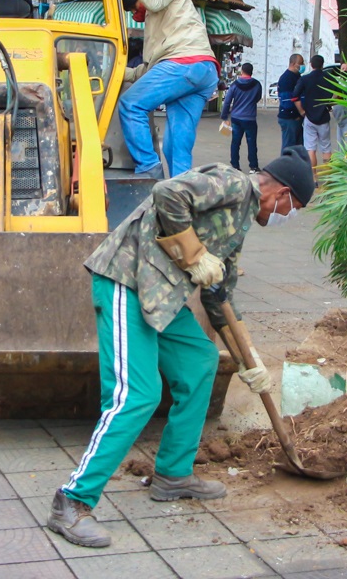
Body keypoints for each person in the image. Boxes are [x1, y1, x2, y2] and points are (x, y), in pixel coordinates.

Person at [49, 148, 317, 549]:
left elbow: (219, 294)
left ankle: (173, 473)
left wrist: (250, 360)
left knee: (200, 360)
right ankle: (71, 502)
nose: (287, 215)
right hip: (128, 280)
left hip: (163, 296)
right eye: (292, 207)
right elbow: (167, 193)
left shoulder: (240, 221)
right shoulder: (230, 182)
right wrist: (195, 255)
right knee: (136, 395)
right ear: (279, 191)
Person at [108, 0, 219, 179]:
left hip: (184, 64)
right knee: (176, 146)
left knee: (131, 105)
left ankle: (149, 170)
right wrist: (117, 72)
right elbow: (151, 71)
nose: (136, 13)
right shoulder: (160, 24)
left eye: (133, 8)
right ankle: (181, 193)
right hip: (201, 72)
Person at [292, 55, 332, 173]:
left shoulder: (305, 79)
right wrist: (329, 104)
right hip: (324, 116)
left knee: (310, 149)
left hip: (309, 117)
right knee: (326, 149)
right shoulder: (329, 78)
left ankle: (313, 178)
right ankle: (329, 179)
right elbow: (340, 94)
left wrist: (301, 111)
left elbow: (294, 96)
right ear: (323, 65)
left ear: (311, 64)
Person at [221, 62, 262, 172]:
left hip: (236, 118)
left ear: (242, 71)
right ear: (251, 72)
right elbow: (258, 98)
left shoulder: (235, 85)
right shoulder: (257, 84)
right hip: (250, 118)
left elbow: (227, 101)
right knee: (252, 142)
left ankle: (235, 166)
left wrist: (224, 116)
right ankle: (253, 166)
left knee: (235, 142)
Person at [276, 54, 305, 151]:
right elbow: (287, 101)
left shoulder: (297, 76)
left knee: (298, 148)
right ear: (293, 64)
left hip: (296, 118)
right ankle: (285, 166)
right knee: (289, 147)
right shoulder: (286, 79)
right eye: (300, 63)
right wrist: (297, 113)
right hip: (290, 118)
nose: (303, 65)